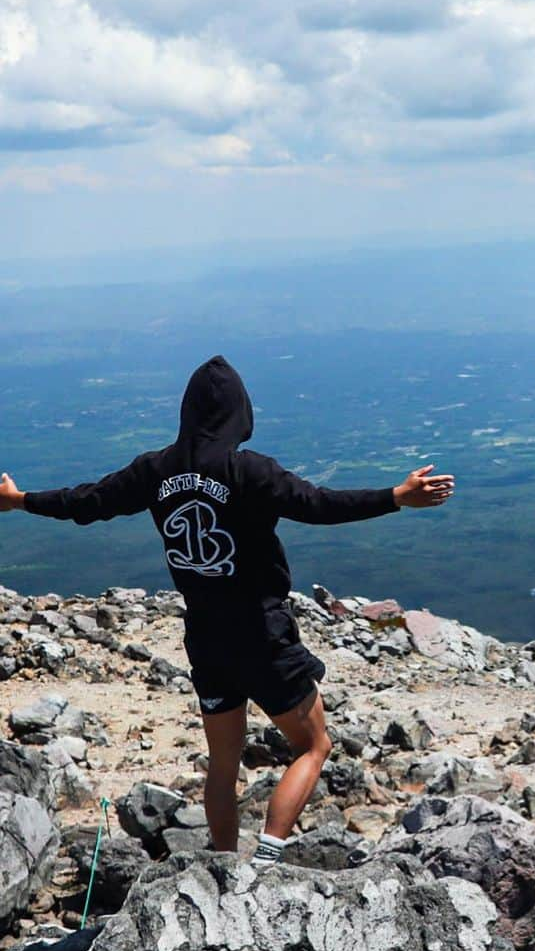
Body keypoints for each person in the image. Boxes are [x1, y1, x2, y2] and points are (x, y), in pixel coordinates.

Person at [0, 354, 454, 869]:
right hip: (262, 631)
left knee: (223, 763)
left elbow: (86, 501)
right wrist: (396, 497)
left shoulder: (155, 470)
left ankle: (222, 868)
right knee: (314, 744)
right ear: (240, 412)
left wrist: (18, 501)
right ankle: (263, 861)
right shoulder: (248, 470)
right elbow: (321, 505)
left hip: (206, 633)